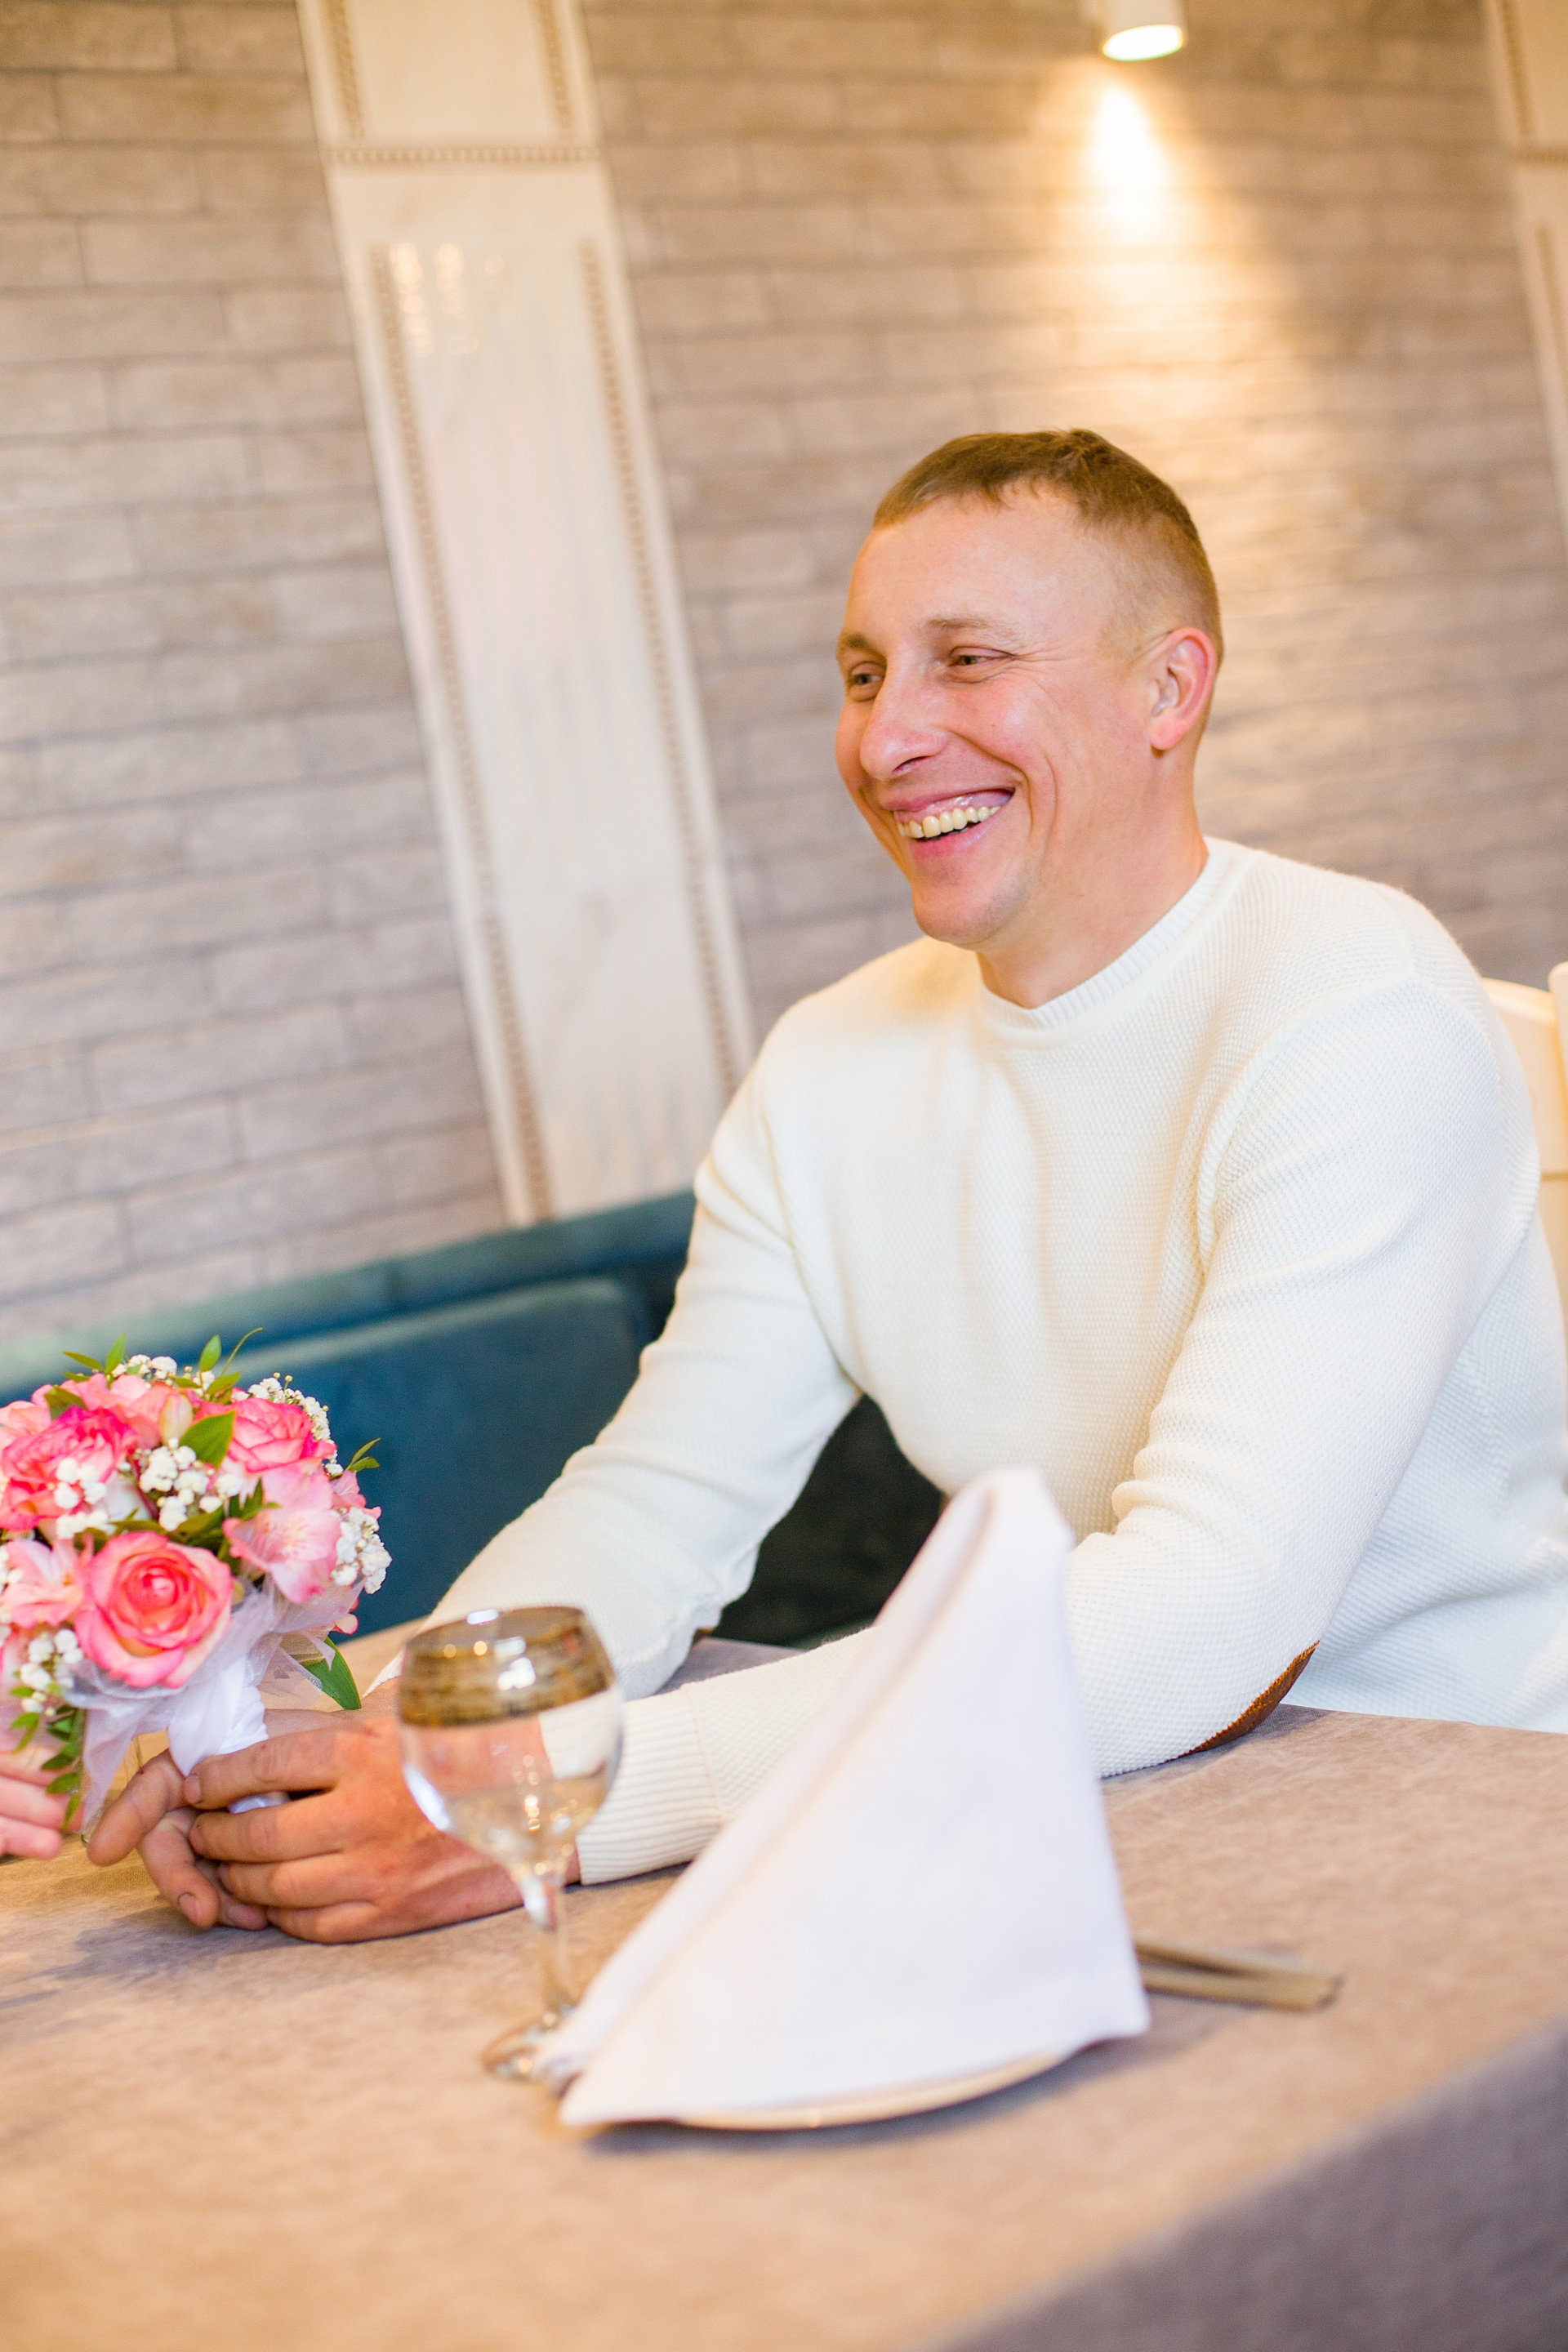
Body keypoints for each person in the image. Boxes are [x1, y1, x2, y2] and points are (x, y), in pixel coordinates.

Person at [20, 428, 1568, 1936]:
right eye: (866, 674)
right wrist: (396, 1745)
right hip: (1089, 1797)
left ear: (1170, 689)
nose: (886, 741)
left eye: (969, 661)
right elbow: (656, 1504)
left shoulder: (1353, 1011)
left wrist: (572, 1800)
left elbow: (1206, 1610)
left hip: (1459, 1820)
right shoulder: (834, 1061)